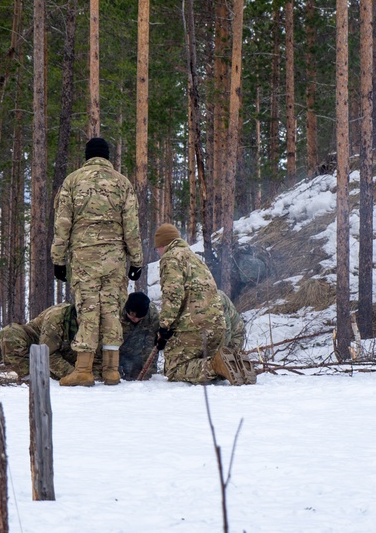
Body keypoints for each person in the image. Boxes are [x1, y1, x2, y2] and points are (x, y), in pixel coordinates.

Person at [51, 137, 143, 387]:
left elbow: (62, 224)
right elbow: (132, 226)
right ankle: (112, 370)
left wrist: (58, 259)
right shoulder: (122, 183)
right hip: (115, 257)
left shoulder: (73, 181)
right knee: (112, 309)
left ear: (87, 156)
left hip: (84, 257)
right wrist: (136, 262)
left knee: (89, 308)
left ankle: (83, 370)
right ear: (107, 157)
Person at [153, 223, 246, 385]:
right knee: (201, 361)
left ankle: (216, 366)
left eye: (157, 248)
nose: (158, 253)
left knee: (174, 369)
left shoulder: (171, 257)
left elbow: (173, 295)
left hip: (193, 327)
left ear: (163, 244)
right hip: (217, 327)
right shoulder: (194, 258)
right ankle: (233, 366)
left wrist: (164, 326)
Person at [0, 303, 86, 381]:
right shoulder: (57, 316)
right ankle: (29, 377)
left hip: (69, 358)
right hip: (38, 347)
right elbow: (47, 353)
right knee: (9, 334)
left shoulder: (96, 323)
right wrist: (73, 374)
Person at [119, 291, 160, 380]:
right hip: (116, 352)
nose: (136, 320)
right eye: (133, 317)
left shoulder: (152, 315)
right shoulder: (117, 311)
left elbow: (151, 345)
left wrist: (149, 374)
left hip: (138, 354)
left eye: (139, 318)